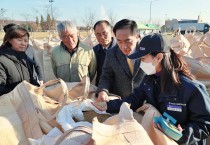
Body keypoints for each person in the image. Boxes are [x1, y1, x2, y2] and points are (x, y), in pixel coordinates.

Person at [95, 34, 210, 145]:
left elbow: (205, 124)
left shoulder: (191, 88)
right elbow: (134, 100)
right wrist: (108, 106)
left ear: (159, 57)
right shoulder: (148, 81)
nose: (141, 64)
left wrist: (182, 134)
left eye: (143, 58)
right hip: (159, 139)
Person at [96, 19, 145, 100]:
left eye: (128, 41)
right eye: (119, 41)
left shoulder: (147, 52)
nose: (124, 46)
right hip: (121, 102)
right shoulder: (111, 53)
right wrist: (103, 91)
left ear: (137, 36)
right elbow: (106, 76)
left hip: (145, 104)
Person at [0, 26, 40, 96]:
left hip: (26, 101)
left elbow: (31, 80)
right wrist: (22, 93)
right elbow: (1, 88)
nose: (23, 43)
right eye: (19, 40)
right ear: (9, 40)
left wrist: (37, 87)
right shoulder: (2, 60)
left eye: (26, 41)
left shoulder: (25, 59)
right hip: (9, 104)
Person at [93, 20, 117, 86]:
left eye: (105, 33)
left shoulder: (121, 49)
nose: (102, 37)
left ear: (111, 32)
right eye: (98, 34)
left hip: (119, 92)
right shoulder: (94, 51)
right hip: (101, 89)